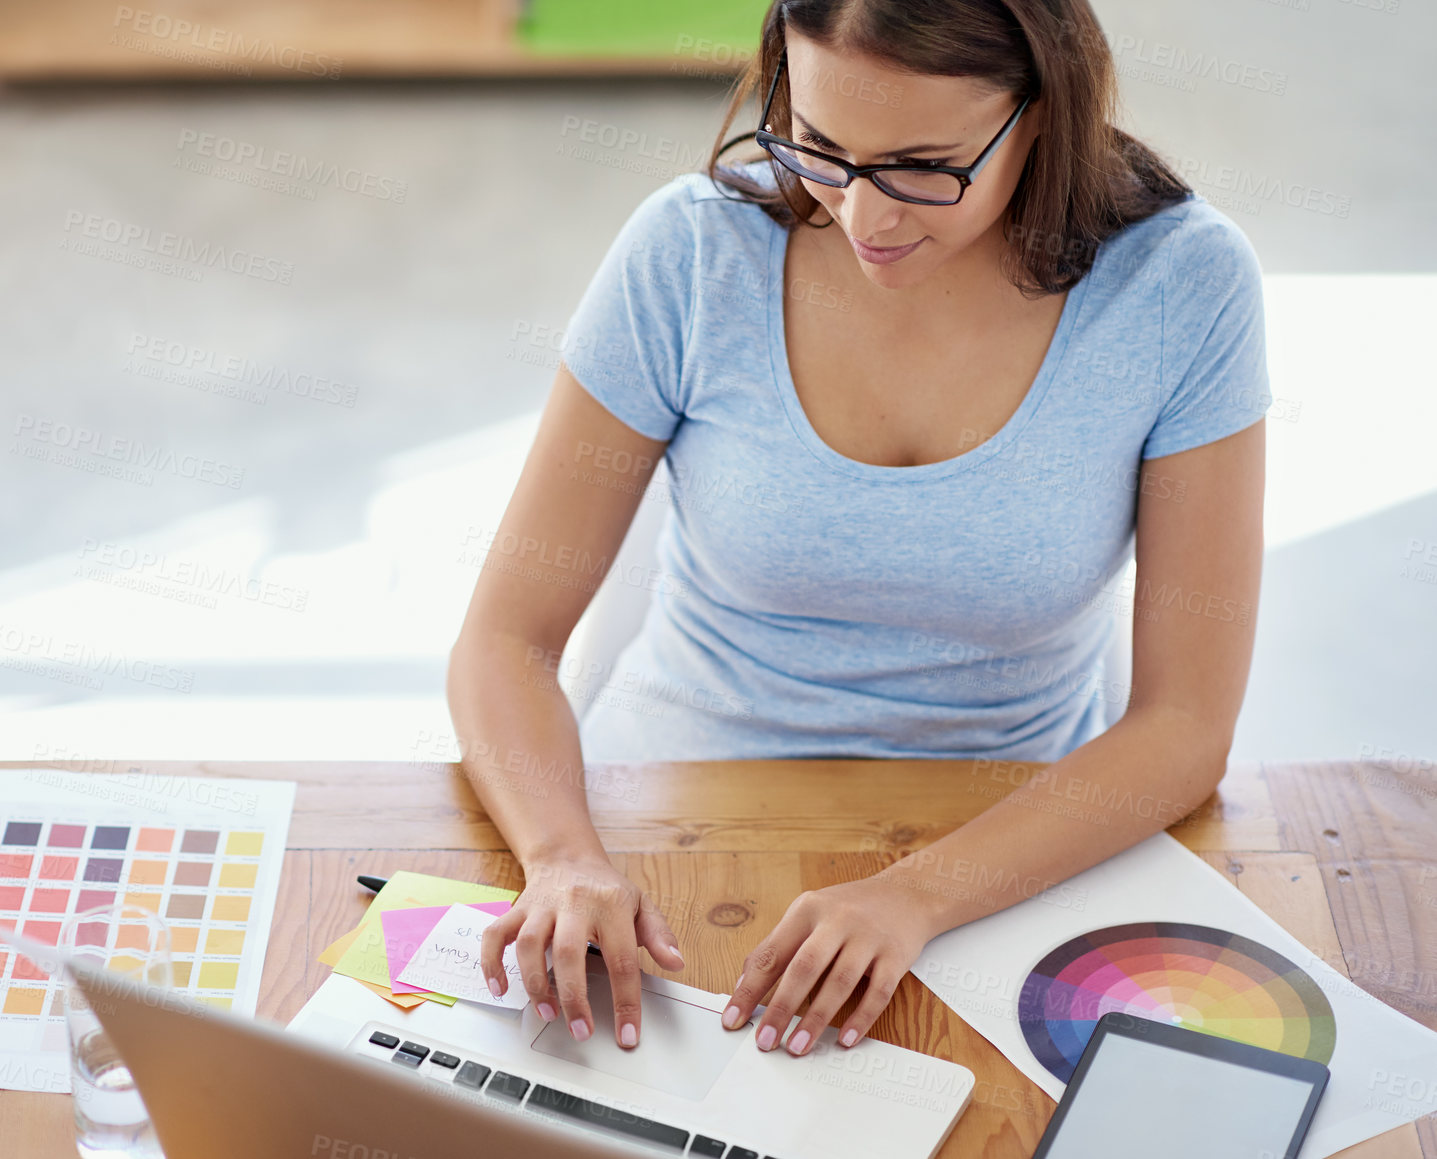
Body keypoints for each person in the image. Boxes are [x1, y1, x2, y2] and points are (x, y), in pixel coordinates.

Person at [447, 0, 1268, 1060]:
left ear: (1046, 112)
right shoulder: (691, 252)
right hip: (670, 826)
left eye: (923, 165)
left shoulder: (1181, 284)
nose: (863, 217)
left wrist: (912, 897)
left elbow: (1186, 726)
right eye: (823, 148)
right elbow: (504, 640)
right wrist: (563, 856)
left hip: (1013, 849)